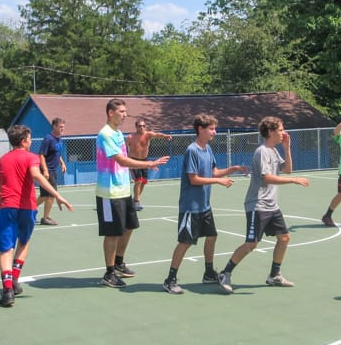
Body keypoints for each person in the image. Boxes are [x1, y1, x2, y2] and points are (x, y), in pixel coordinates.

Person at [217, 117, 309, 294]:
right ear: (270, 132)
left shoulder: (274, 151)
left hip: (272, 205)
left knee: (284, 238)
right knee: (251, 244)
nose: (283, 133)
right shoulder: (262, 152)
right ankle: (225, 273)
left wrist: (287, 148)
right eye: (281, 130)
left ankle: (274, 275)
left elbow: (288, 169)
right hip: (257, 205)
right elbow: (266, 178)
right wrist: (293, 181)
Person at [163, 114, 248, 294]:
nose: (214, 132)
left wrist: (232, 170)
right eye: (211, 129)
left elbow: (214, 172)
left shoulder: (207, 149)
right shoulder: (192, 150)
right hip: (190, 207)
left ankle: (209, 272)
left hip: (204, 206)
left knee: (212, 236)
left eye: (214, 129)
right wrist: (217, 182)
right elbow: (193, 179)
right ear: (200, 129)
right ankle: (170, 280)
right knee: (185, 243)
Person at [0, 125, 73, 307]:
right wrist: (58, 195)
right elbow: (36, 175)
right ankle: (14, 279)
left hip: (7, 207)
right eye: (29, 139)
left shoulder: (2, 160)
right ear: (23, 141)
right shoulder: (31, 158)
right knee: (24, 242)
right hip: (27, 208)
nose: (31, 142)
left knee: (6, 249)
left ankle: (7, 291)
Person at [96, 99, 170, 288]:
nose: (124, 115)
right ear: (110, 113)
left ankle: (119, 262)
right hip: (109, 192)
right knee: (112, 233)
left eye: (125, 111)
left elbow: (125, 159)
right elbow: (121, 160)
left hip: (123, 190)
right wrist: (150, 163)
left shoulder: (119, 133)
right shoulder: (105, 134)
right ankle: (109, 272)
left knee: (129, 227)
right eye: (121, 111)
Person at [126, 117, 172, 210]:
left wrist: (165, 136)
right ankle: (136, 202)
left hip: (145, 160)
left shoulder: (148, 135)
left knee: (143, 182)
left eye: (143, 126)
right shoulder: (130, 137)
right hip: (134, 161)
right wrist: (128, 163)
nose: (142, 128)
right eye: (139, 126)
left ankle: (136, 199)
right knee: (138, 181)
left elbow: (157, 134)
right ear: (136, 127)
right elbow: (123, 150)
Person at [36, 117, 67, 225]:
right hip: (47, 170)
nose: (63, 129)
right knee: (52, 195)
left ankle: (27, 210)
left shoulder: (59, 138)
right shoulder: (48, 139)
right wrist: (45, 170)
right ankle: (45, 218)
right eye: (61, 127)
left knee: (44, 196)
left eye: (63, 126)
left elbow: (57, 153)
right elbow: (41, 155)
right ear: (54, 126)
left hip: (53, 170)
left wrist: (62, 163)